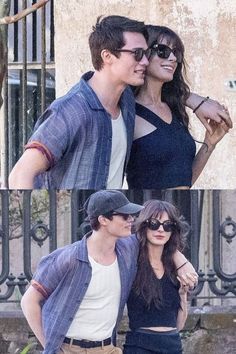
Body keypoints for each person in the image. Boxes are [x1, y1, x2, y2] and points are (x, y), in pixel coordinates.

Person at [8, 17, 232, 190]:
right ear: (107, 56)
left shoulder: (124, 105)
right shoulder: (73, 110)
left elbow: (180, 179)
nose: (145, 61)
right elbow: (20, 175)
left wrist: (200, 114)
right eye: (138, 54)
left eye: (146, 53)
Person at [20, 190, 198, 354]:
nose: (131, 219)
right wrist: (50, 346)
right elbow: (29, 301)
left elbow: (160, 238)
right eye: (124, 215)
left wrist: (183, 265)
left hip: (108, 348)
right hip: (69, 348)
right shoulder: (69, 258)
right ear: (103, 220)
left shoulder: (126, 252)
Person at [126, 25, 233, 189]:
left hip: (180, 208)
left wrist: (209, 144)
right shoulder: (127, 112)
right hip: (149, 206)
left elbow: (183, 181)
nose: (173, 58)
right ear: (143, 54)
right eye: (163, 51)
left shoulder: (174, 109)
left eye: (176, 53)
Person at [124, 199, 190, 354]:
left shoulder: (174, 268)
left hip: (173, 345)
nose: (161, 230)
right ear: (144, 226)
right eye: (154, 223)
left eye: (167, 225)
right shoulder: (131, 263)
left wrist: (182, 295)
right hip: (140, 345)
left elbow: (178, 325)